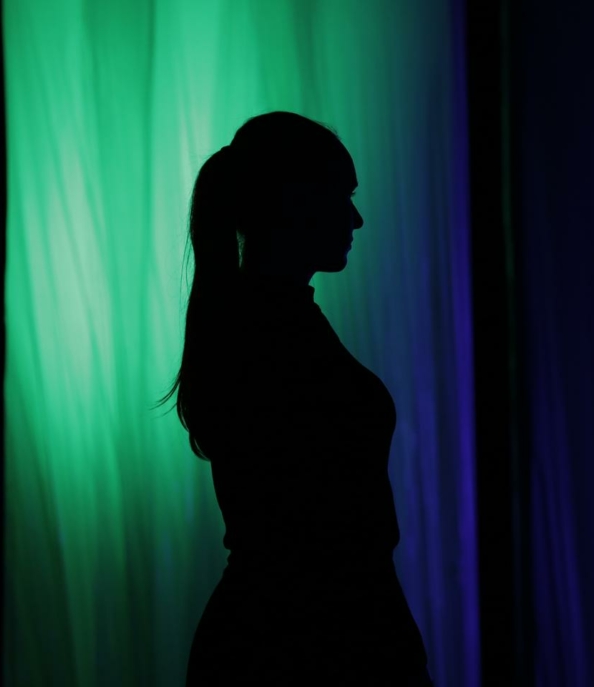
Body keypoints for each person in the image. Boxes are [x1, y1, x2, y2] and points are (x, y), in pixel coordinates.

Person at [157, 111, 433, 685]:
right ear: (295, 201)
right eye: (343, 196)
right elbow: (325, 539)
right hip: (302, 643)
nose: (356, 218)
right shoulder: (272, 334)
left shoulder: (262, 324)